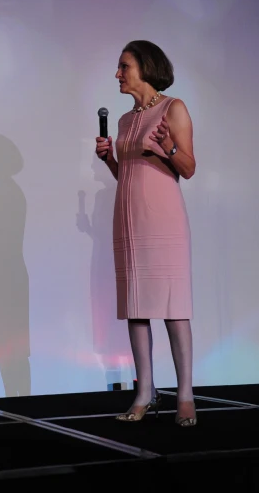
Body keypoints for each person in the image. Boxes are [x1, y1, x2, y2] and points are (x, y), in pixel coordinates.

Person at [95, 40, 198, 427]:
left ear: (145, 67)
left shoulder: (174, 108)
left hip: (164, 218)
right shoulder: (124, 121)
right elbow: (128, 173)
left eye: (124, 66)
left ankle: (185, 395)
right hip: (128, 218)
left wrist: (169, 148)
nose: (118, 74)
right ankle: (145, 393)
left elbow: (187, 168)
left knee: (173, 308)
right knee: (136, 308)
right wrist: (110, 160)